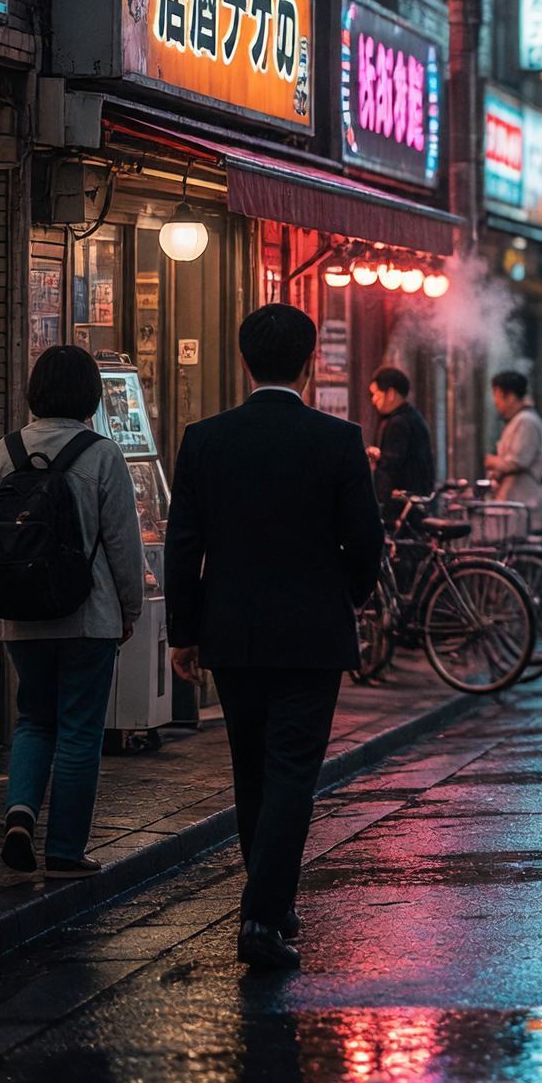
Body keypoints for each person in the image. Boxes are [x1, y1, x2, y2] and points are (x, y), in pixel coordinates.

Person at [164, 305, 384, 970]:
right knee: (293, 771)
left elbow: (182, 544)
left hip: (231, 628)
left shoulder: (205, 439)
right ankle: (263, 915)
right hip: (313, 632)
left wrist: (184, 631)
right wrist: (346, 594)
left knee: (250, 768)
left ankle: (271, 898)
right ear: (311, 362)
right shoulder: (338, 440)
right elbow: (367, 539)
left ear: (242, 361)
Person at [0, 345, 146, 880]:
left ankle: (20, 814)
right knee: (79, 730)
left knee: (33, 718)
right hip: (88, 616)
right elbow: (125, 545)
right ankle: (65, 853)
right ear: (90, 395)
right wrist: (130, 608)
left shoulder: (2, 453)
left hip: (19, 616)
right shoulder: (101, 454)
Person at [486, 371, 542, 529]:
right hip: (515, 508)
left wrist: (488, 461)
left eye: (497, 395)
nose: (495, 402)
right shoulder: (519, 420)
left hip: (523, 507)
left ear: (510, 396)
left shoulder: (526, 421)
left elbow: (517, 463)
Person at [366, 366, 434, 504]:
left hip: (402, 506)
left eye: (376, 394)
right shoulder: (412, 416)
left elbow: (391, 467)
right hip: (417, 501)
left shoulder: (398, 422)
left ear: (390, 393)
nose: (373, 400)